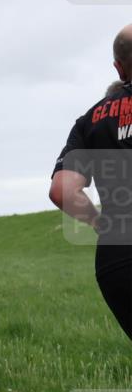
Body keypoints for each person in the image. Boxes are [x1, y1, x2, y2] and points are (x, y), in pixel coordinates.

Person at [49, 23, 132, 340]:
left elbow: (62, 190)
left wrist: (100, 223)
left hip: (117, 258)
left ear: (118, 67)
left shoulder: (90, 120)